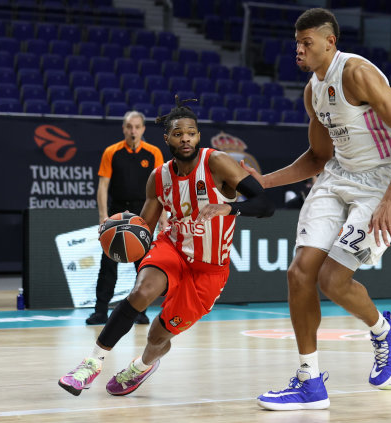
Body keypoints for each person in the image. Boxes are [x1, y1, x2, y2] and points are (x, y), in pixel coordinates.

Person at [242, 8, 391, 410]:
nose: (299, 49)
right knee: (300, 272)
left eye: (306, 42)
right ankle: (309, 382)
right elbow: (317, 157)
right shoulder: (312, 91)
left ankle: (384, 331)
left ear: (331, 42)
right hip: (338, 177)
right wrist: (263, 181)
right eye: (296, 42)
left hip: (383, 181)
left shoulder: (356, 73)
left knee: (333, 280)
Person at [59, 99, 275, 396]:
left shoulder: (216, 162)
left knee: (159, 335)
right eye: (178, 133)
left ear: (198, 136)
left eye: (191, 132)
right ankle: (90, 364)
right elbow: (145, 228)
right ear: (167, 138)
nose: (185, 138)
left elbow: (265, 205)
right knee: (141, 292)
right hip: (172, 248)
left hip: (209, 270)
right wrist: (120, 235)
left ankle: (143, 365)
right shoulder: (158, 177)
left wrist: (230, 210)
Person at [86, 110, 167, 325]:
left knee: (144, 266)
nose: (133, 131)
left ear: (143, 129)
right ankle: (100, 311)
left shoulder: (153, 153)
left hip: (143, 214)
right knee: (108, 264)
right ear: (124, 128)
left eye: (137, 127)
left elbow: (161, 187)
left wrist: (164, 216)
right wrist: (103, 216)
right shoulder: (111, 152)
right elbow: (103, 187)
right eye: (129, 127)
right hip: (117, 214)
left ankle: (140, 311)